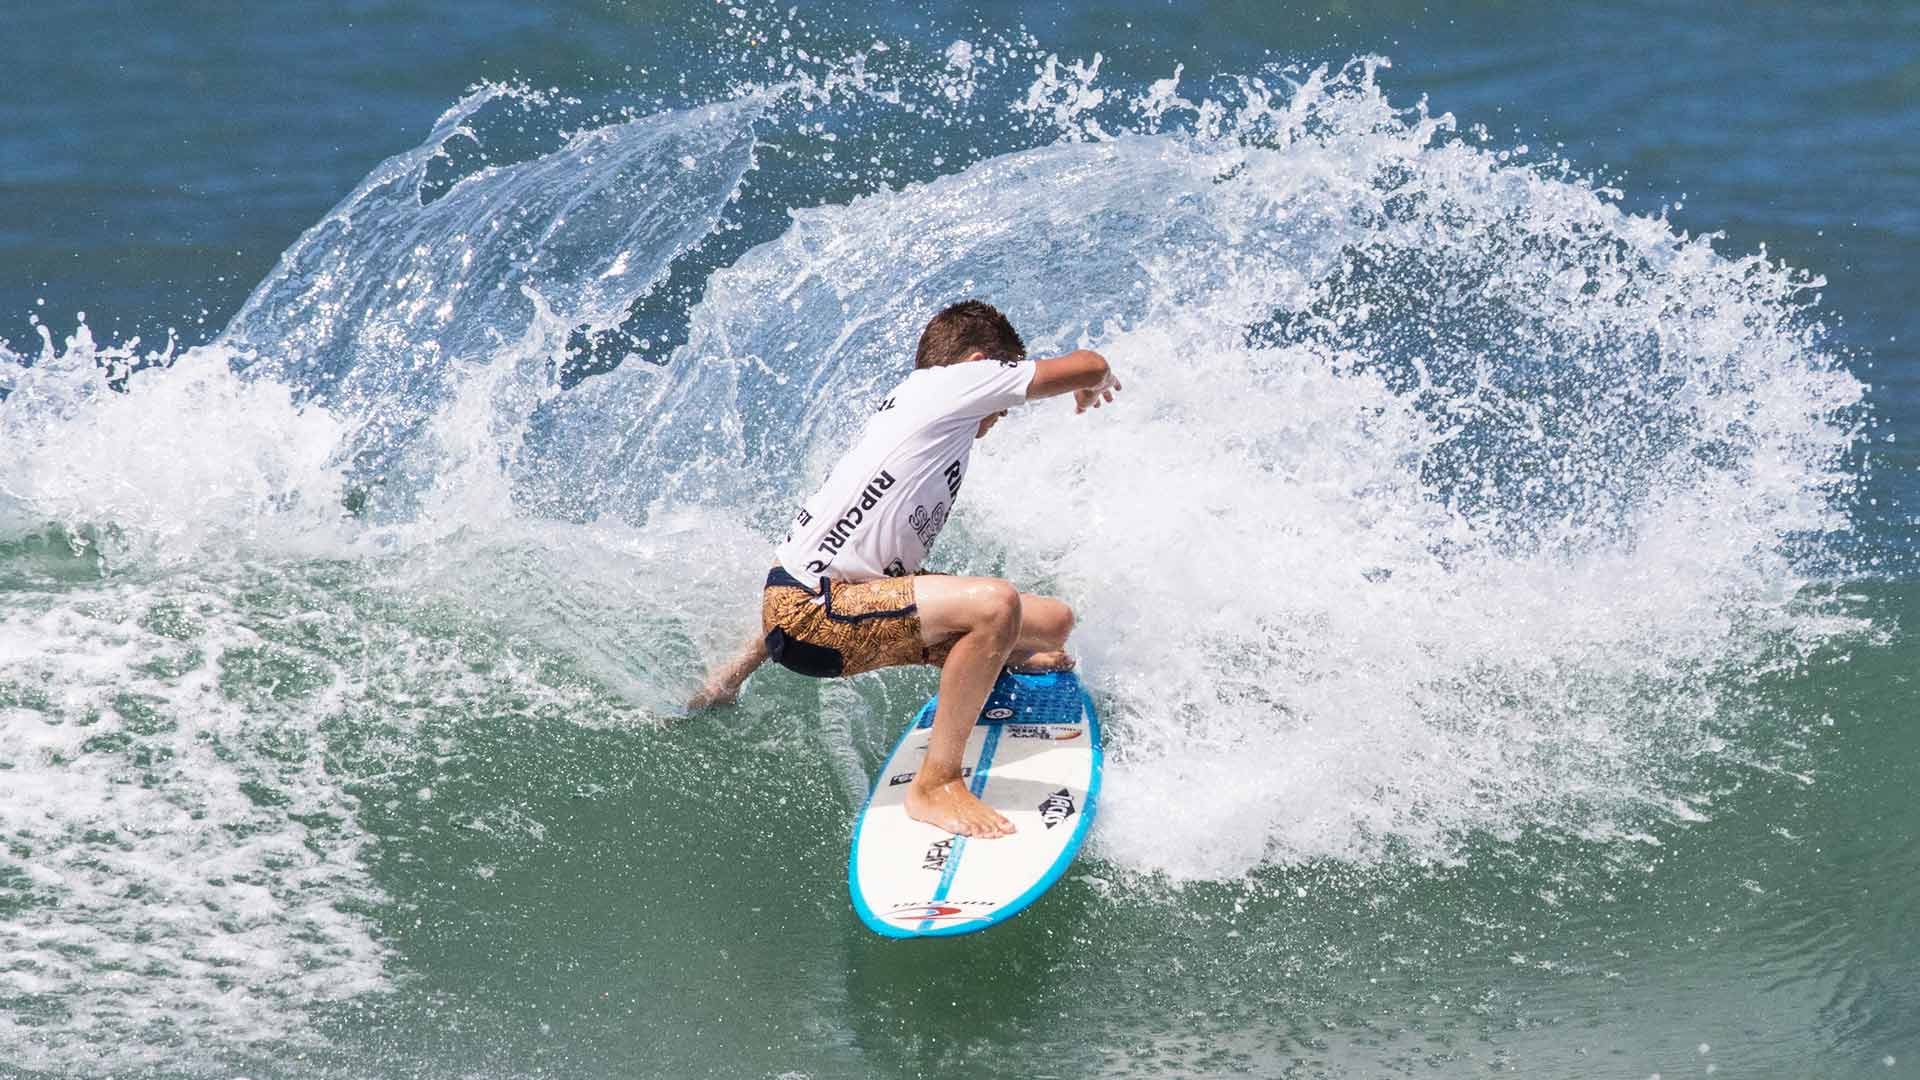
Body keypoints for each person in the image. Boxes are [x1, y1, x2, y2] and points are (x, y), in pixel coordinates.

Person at [688, 300, 1120, 838]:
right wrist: (1091, 381)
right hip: (813, 619)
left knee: (1052, 624)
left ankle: (982, 662)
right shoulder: (948, 386)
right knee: (997, 605)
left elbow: (824, 557)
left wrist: (730, 676)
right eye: (1000, 393)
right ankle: (935, 784)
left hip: (826, 608)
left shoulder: (922, 417)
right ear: (980, 365)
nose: (1003, 412)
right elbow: (1089, 364)